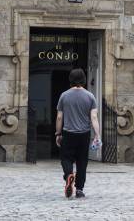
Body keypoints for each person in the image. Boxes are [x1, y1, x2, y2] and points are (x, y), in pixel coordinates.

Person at [55, 67, 101, 199]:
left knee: (66, 158)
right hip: (84, 134)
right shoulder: (90, 96)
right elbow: (93, 117)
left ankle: (69, 175)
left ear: (70, 80)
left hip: (68, 133)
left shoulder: (64, 96)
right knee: (82, 162)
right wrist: (97, 135)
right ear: (84, 80)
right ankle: (79, 189)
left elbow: (59, 117)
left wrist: (58, 133)